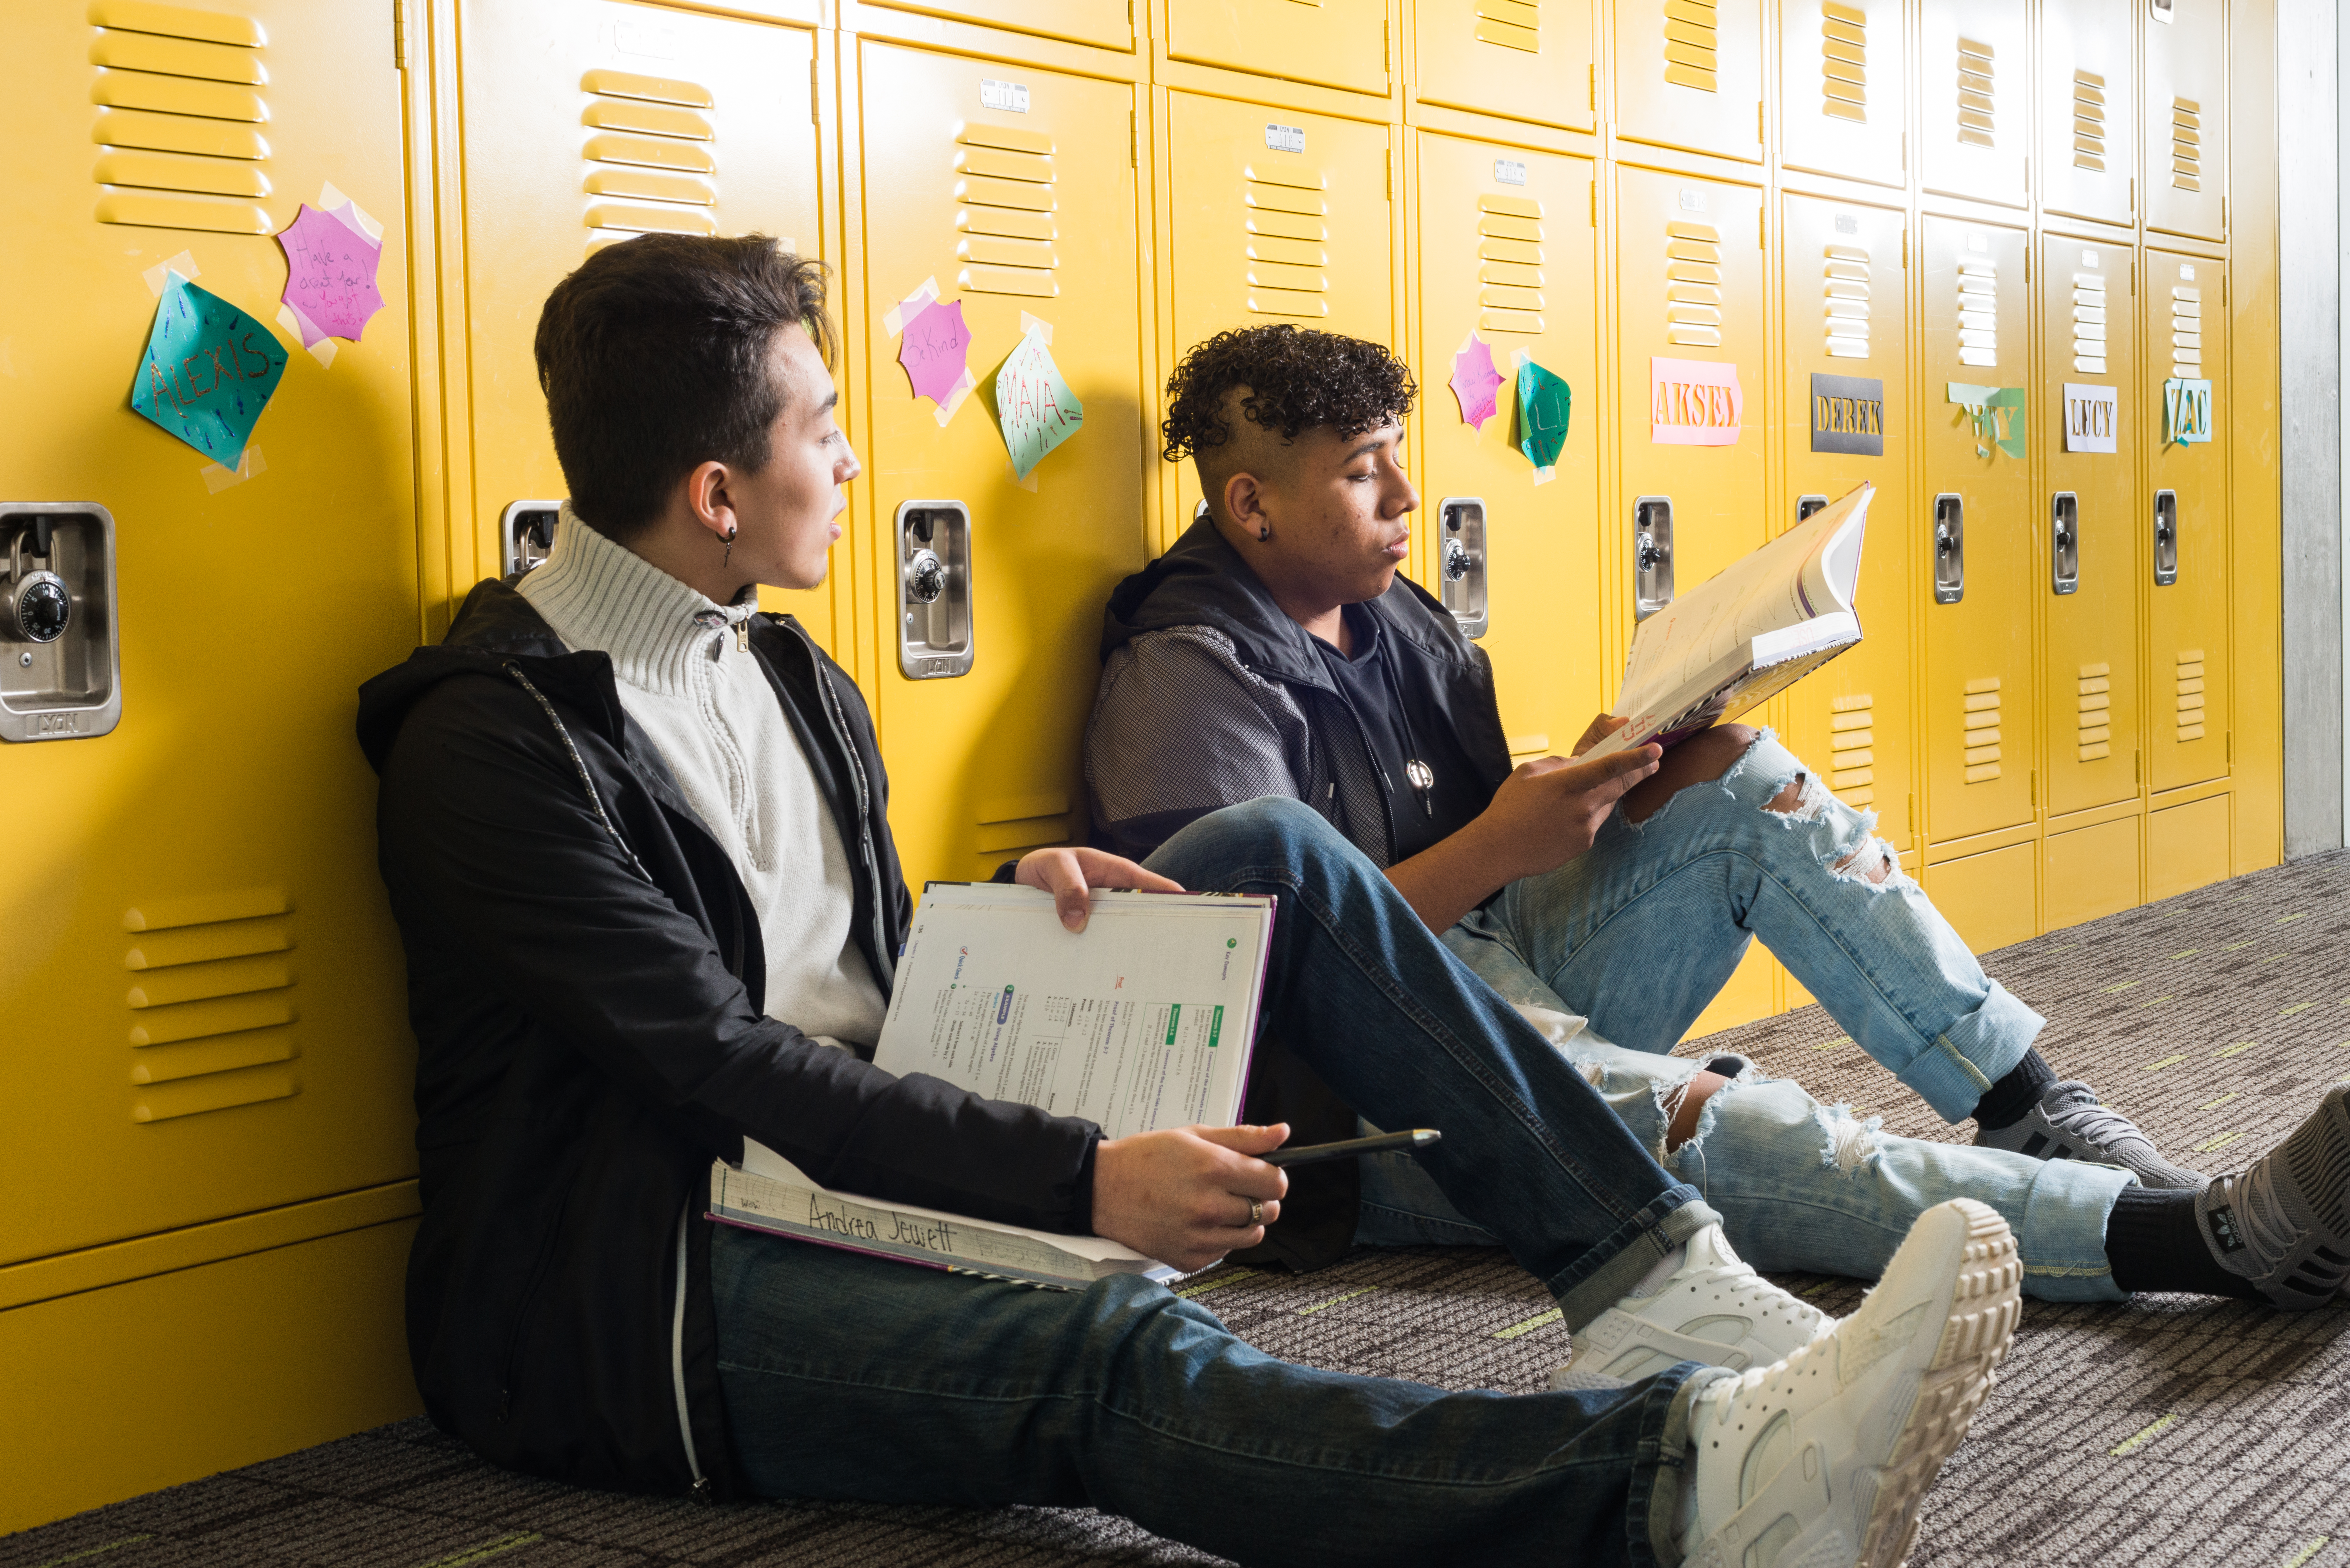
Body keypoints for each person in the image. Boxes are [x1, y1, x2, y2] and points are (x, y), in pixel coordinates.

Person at [358, 232, 2018, 1567]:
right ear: (719, 495)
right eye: (821, 428)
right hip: (643, 1293)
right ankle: (1693, 1488)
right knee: (1112, 1344)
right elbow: (722, 1055)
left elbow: (812, 964)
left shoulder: (788, 667)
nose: (857, 459)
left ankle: (1643, 1268)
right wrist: (1083, 1180)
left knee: (1275, 846)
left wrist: (1004, 891)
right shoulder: (496, 744)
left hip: (845, 1159)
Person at [1083, 322, 2350, 1329]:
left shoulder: (1396, 614)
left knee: (1739, 774)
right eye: (1364, 474)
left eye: (1400, 454)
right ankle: (2193, 1241)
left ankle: (2031, 1102)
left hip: (1493, 970)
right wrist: (1501, 846)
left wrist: (1592, 774)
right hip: (1354, 1111)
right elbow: (1236, 974)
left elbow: (1473, 848)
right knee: (1712, 1123)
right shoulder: (1187, 670)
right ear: (1250, 507)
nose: (1410, 493)